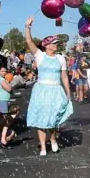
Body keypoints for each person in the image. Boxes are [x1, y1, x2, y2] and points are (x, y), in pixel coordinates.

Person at [24, 16, 73, 156]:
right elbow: (28, 41)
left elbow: (64, 76)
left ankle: (52, 139)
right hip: (41, 90)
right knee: (41, 119)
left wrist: (68, 92)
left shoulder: (60, 58)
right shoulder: (39, 55)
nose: (56, 45)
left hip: (56, 90)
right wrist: (28, 27)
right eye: (54, 43)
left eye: (57, 43)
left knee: (54, 119)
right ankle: (43, 147)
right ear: (47, 45)